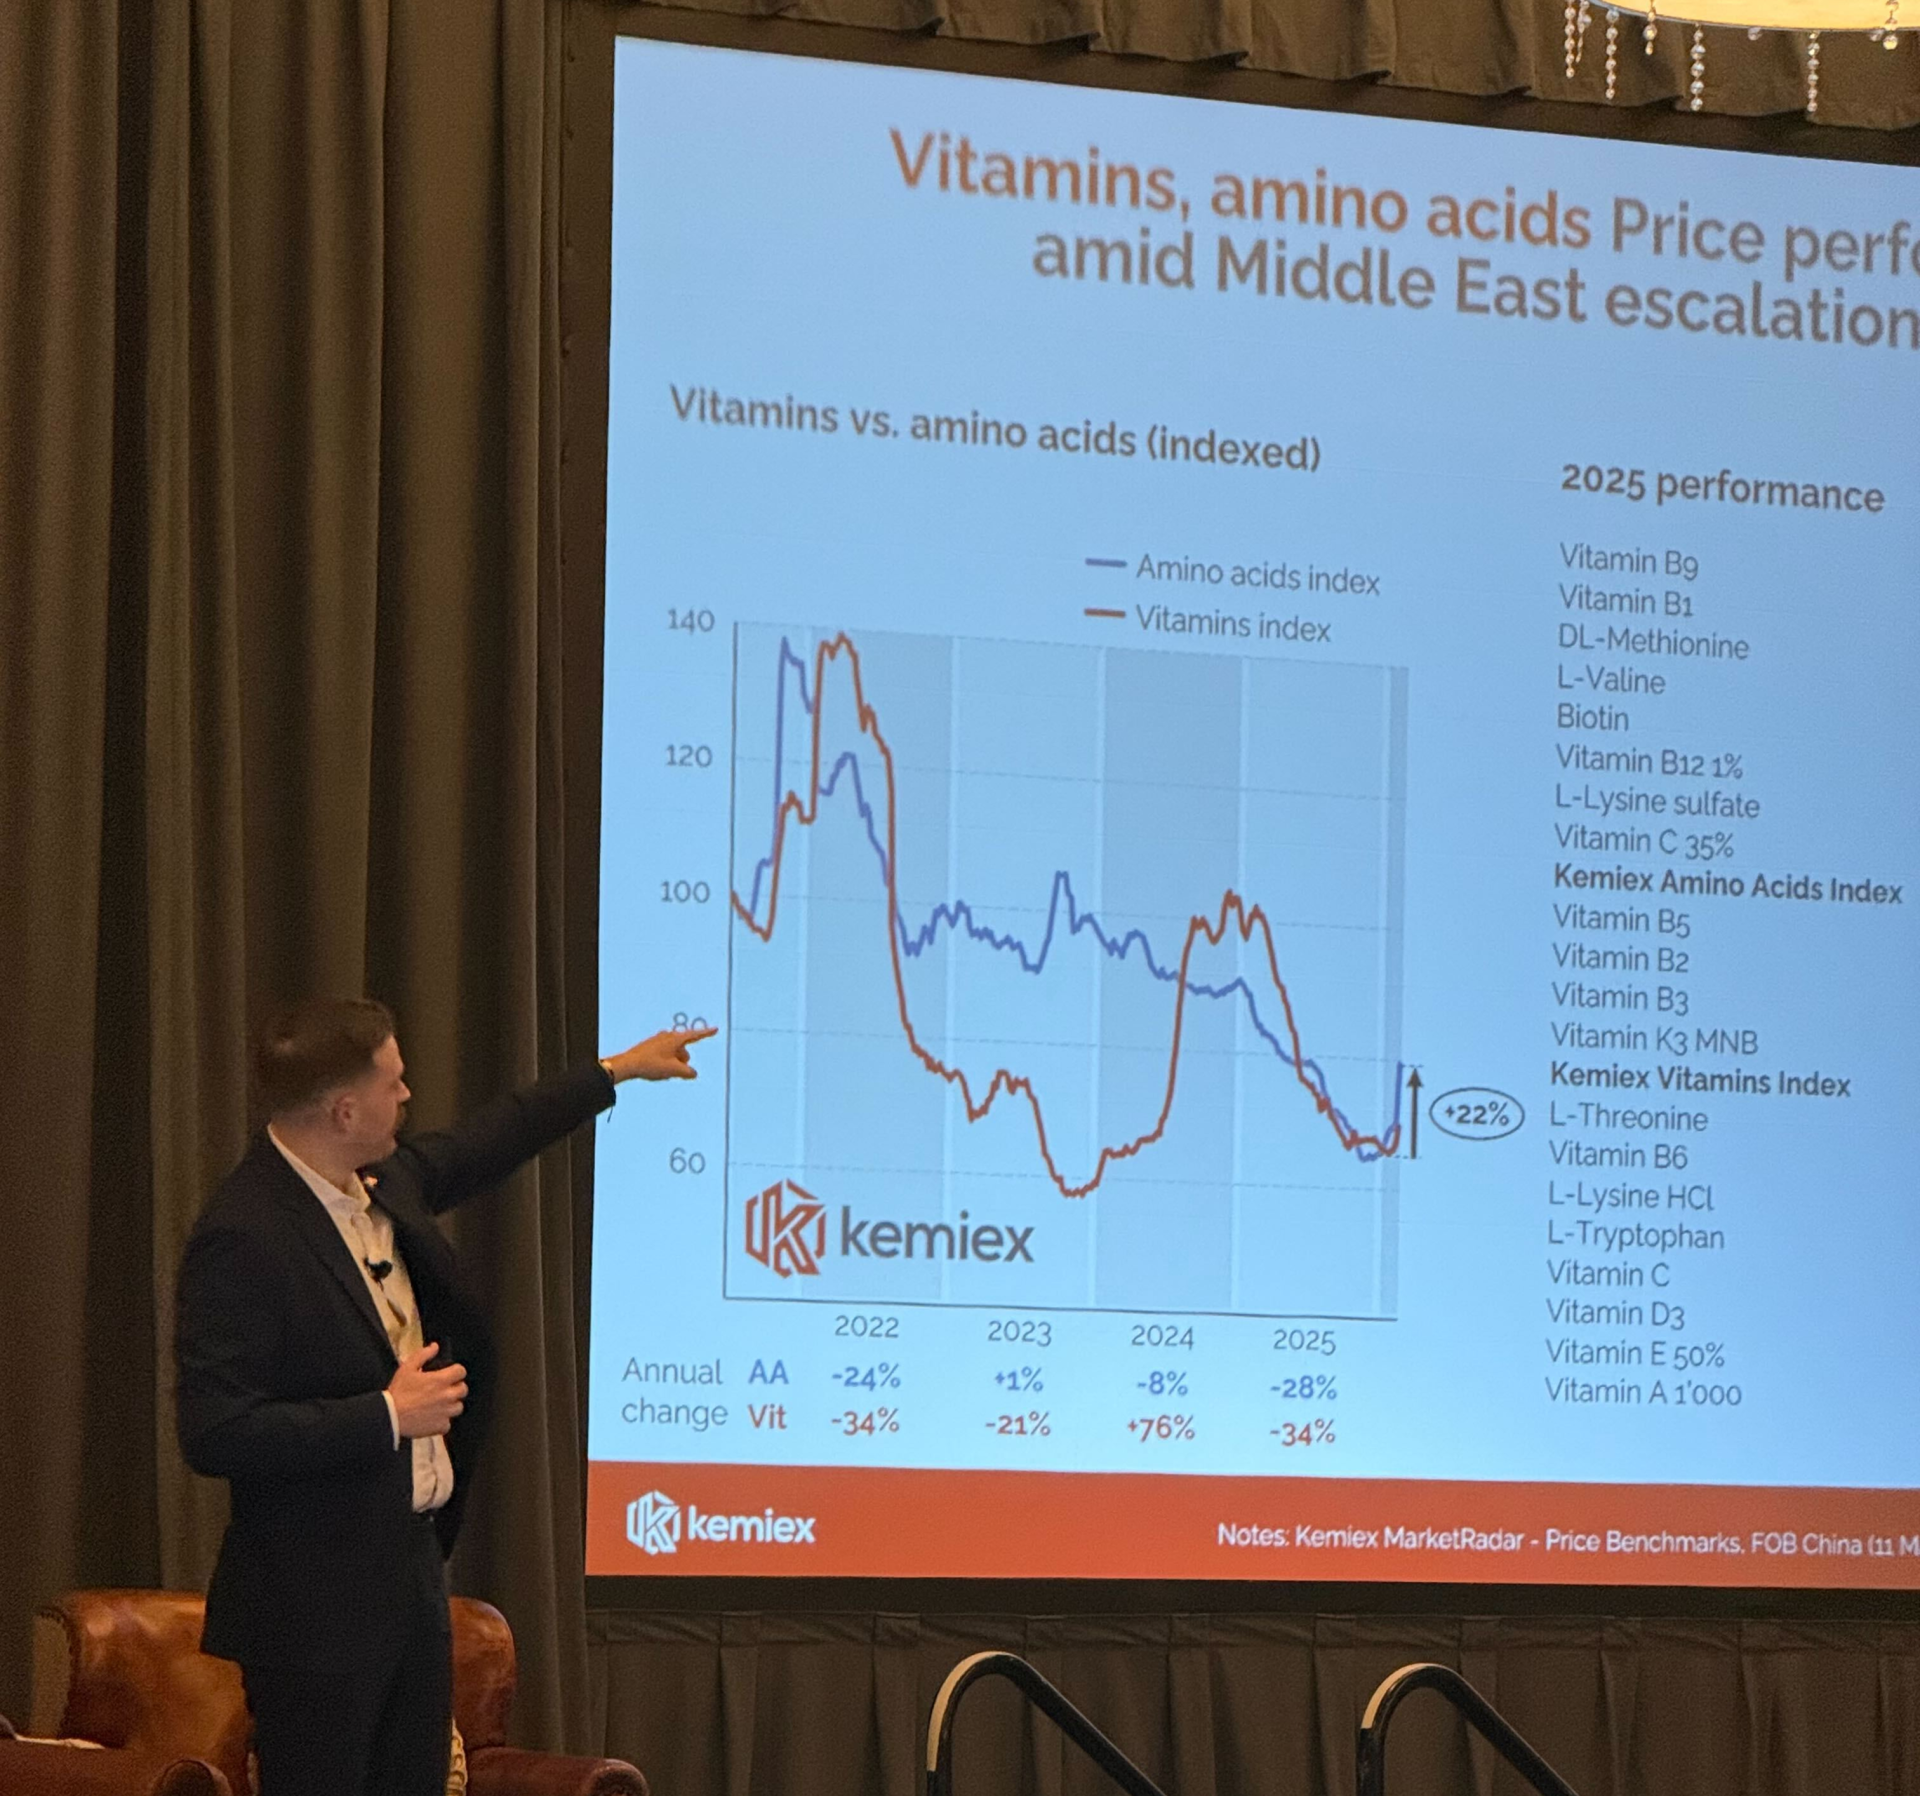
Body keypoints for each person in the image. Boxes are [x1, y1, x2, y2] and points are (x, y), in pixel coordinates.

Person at [174, 998, 713, 1796]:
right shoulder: (245, 1234)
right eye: (392, 1083)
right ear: (344, 1109)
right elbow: (215, 1428)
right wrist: (387, 1415)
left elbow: (493, 1136)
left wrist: (616, 1072)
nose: (408, 1095)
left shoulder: (383, 1182)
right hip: (310, 1610)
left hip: (411, 1578)